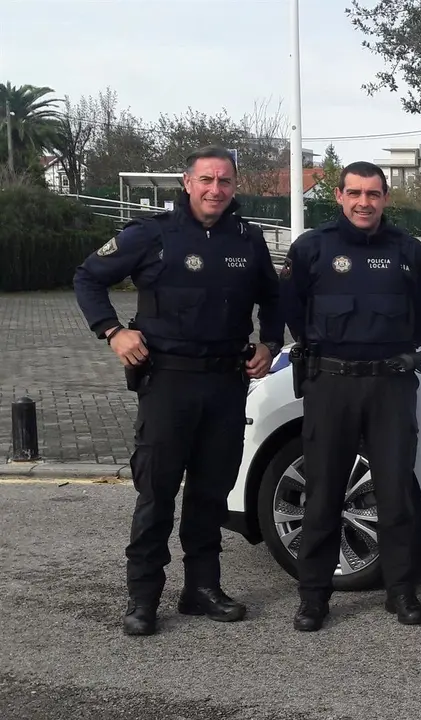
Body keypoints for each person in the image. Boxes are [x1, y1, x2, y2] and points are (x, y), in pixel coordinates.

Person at [72, 145, 284, 636]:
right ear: (186, 183)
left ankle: (201, 589)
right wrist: (112, 331)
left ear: (235, 187)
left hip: (227, 383)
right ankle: (143, 598)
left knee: (211, 492)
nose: (216, 190)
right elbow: (88, 276)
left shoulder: (248, 240)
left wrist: (269, 343)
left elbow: (275, 300)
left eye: (225, 181)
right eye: (206, 180)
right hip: (167, 380)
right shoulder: (151, 235)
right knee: (157, 493)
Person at [280, 161, 421, 632]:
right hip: (331, 385)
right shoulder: (312, 248)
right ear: (340, 196)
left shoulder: (408, 251)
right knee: (323, 492)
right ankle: (313, 597)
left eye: (373, 194)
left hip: (390, 384)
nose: (364, 202)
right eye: (355, 193)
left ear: (385, 197)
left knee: (394, 493)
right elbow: (291, 308)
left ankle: (401, 591)